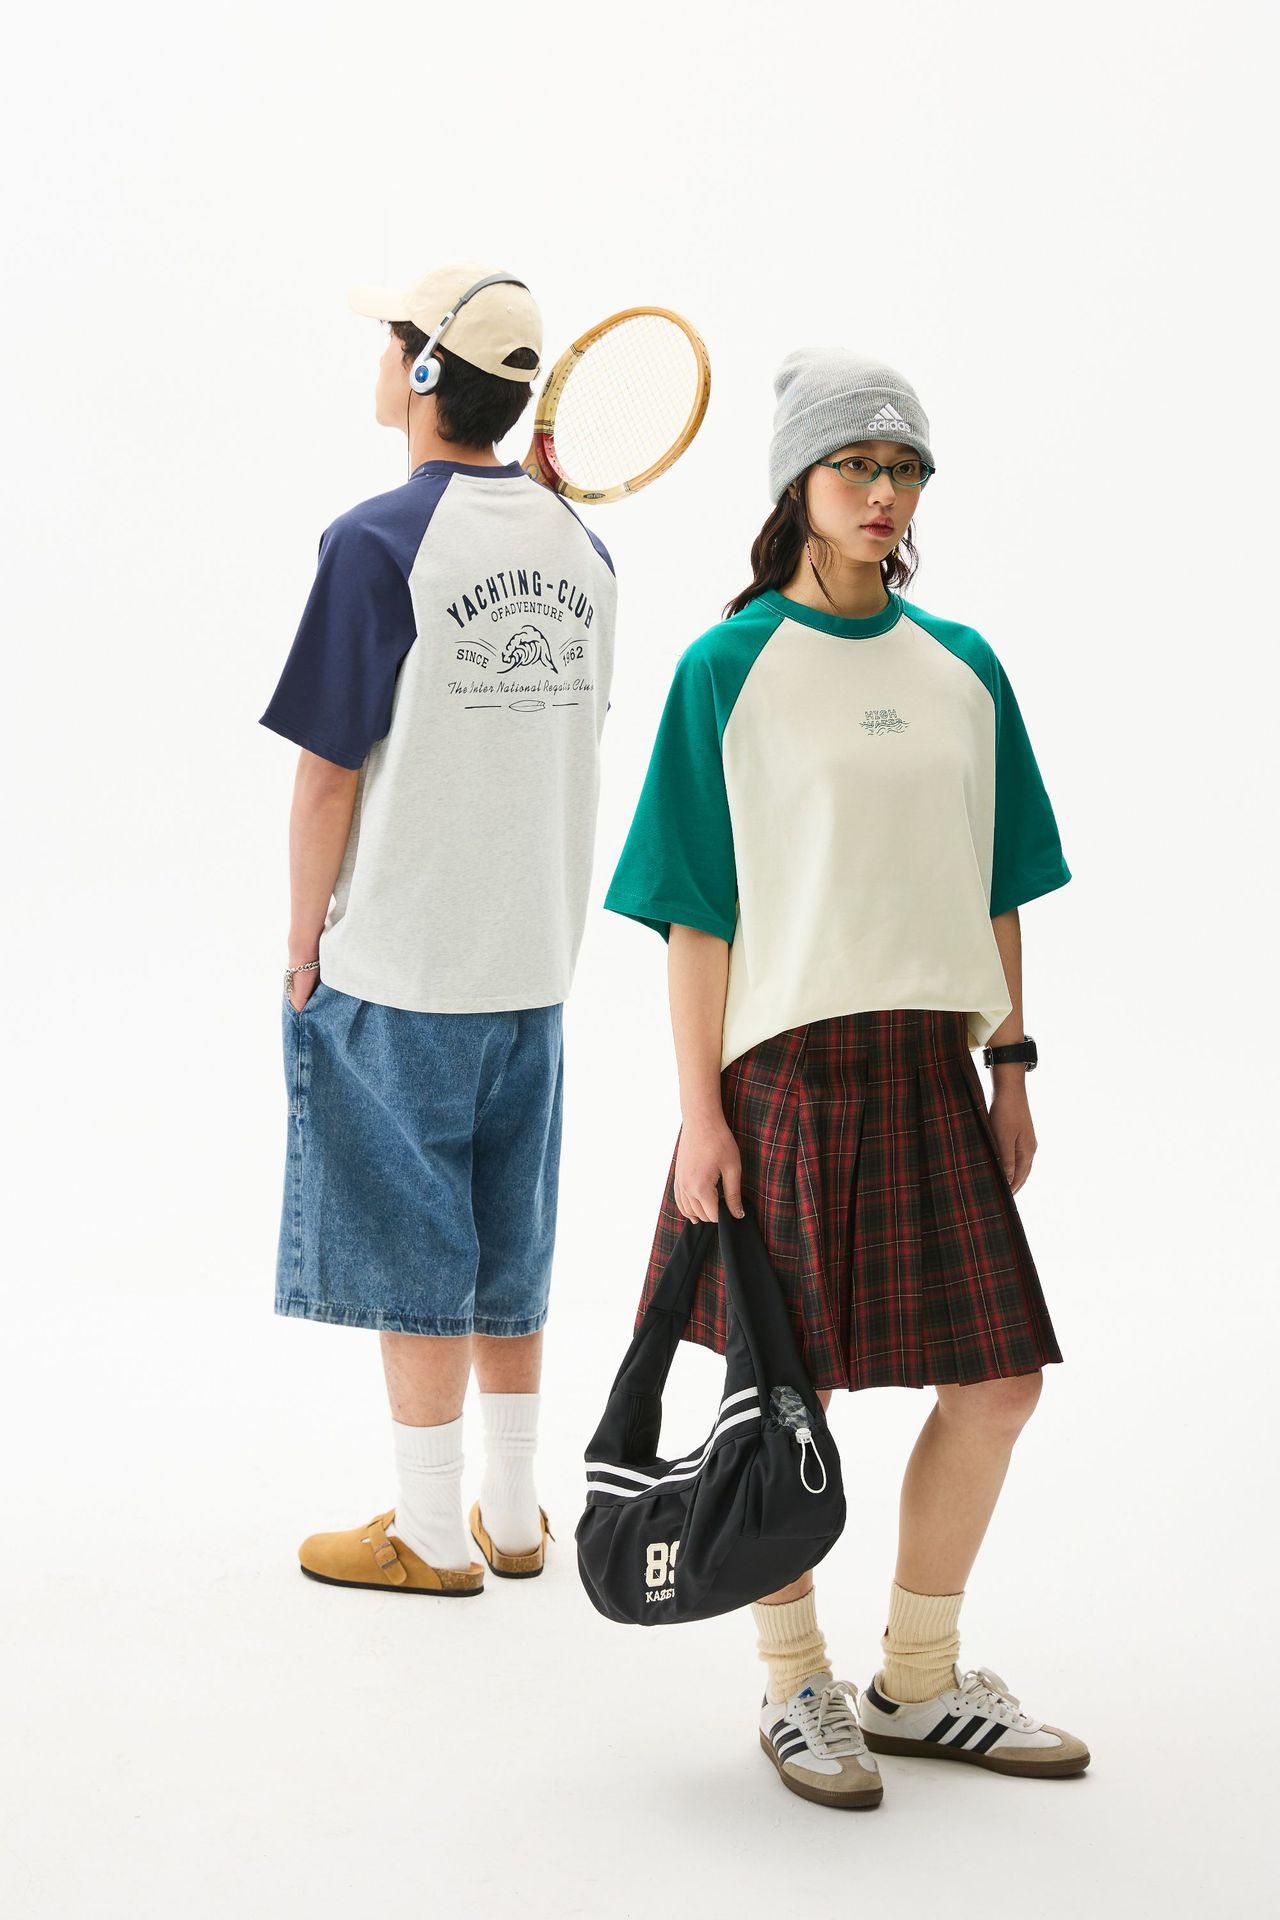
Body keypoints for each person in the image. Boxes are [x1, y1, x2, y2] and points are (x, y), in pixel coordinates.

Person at [603, 347, 1088, 1807]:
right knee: (785, 1394)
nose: (883, 493)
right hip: (785, 1080)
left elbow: (1000, 883)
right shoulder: (727, 668)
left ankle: (919, 1683)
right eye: (854, 467)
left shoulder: (963, 669)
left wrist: (1010, 1065)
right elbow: (696, 914)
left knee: (997, 1384)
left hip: (932, 1069)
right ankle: (793, 1684)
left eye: (904, 469)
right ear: (797, 486)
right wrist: (699, 1114)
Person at [259, 261, 617, 1597]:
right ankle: (514, 1519)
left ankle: (426, 1533)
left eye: (390, 341)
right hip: (533, 965)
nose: (379, 361)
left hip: (404, 965)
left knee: (414, 1253)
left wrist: (304, 940)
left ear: (422, 372)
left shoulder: (373, 543)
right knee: (509, 1247)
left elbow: (327, 774)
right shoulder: (587, 551)